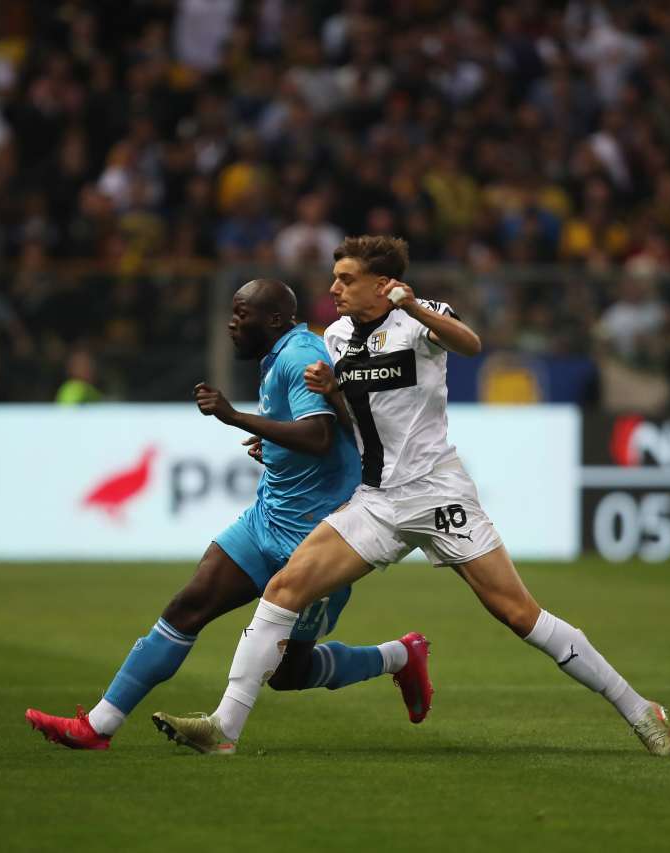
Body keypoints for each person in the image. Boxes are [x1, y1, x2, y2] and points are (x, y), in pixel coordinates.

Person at [153, 237, 670, 756]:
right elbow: (349, 422)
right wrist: (329, 396)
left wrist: (416, 309)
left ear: (382, 284)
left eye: (347, 279)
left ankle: (641, 710)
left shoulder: (419, 318)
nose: (334, 289)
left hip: (436, 492)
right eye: (335, 278)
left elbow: (470, 345)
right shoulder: (335, 336)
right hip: (377, 500)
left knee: (519, 614)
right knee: (285, 588)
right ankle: (224, 727)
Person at [26, 279, 433, 752]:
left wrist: (233, 415)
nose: (231, 323)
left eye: (242, 314)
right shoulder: (278, 355)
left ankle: (399, 656)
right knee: (187, 607)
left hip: (318, 541)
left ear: (274, 319)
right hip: (267, 520)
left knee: (289, 673)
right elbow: (319, 432)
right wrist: (274, 442)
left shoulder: (300, 356)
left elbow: (320, 435)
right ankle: (97, 727)